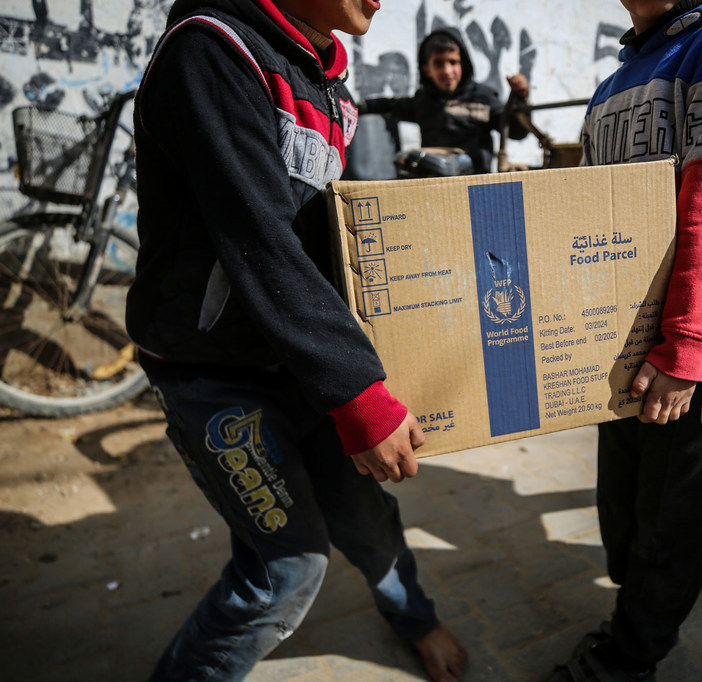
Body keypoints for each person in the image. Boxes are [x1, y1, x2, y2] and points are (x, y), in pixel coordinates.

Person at [126, 1, 467, 680]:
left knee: (367, 516)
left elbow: (321, 232)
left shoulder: (327, 78)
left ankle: (414, 617)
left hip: (297, 360)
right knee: (287, 567)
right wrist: (357, 391)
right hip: (211, 372)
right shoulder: (212, 51)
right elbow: (257, 240)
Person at [549, 2, 702, 679]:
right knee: (623, 502)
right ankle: (632, 612)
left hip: (700, 346)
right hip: (621, 336)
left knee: (672, 522)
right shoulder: (619, 76)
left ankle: (631, 656)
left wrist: (685, 346)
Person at [358, 28, 531, 174]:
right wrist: (356, 106)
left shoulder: (483, 98)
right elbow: (390, 105)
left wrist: (521, 97)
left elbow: (517, 132)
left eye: (453, 62)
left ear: (463, 64)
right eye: (438, 63)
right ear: (427, 70)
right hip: (435, 185)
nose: (447, 71)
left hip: (476, 183)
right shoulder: (423, 101)